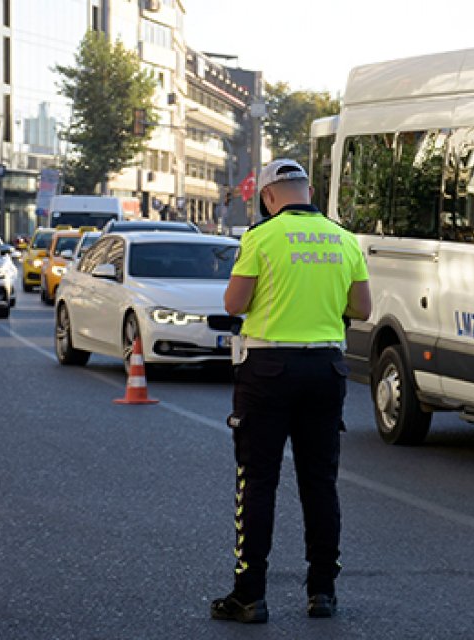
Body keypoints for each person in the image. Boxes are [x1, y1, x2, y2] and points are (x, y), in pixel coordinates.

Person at [210, 159, 371, 624]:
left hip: (268, 370)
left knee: (258, 481)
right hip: (326, 368)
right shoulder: (343, 238)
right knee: (320, 482)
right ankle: (322, 591)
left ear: (267, 197)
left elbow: (234, 303)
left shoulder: (261, 238)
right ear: (308, 190)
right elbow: (361, 307)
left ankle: (250, 594)